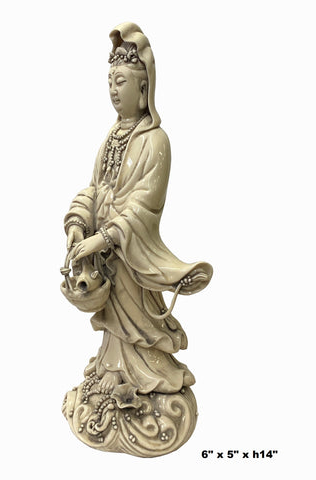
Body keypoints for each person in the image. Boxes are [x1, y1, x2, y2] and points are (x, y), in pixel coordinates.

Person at [64, 23, 212, 405]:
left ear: (144, 88)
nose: (113, 90)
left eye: (122, 81)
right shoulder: (110, 137)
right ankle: (111, 369)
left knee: (137, 319)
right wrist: (78, 224)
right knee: (112, 324)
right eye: (109, 82)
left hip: (130, 252)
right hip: (106, 258)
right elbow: (95, 187)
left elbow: (145, 205)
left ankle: (147, 376)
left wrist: (107, 237)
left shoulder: (156, 141)